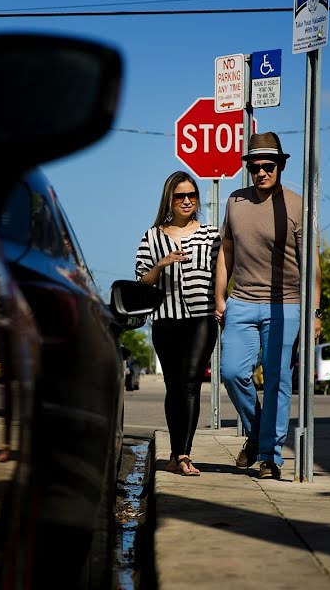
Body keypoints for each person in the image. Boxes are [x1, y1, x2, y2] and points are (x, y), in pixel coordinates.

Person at [214, 132, 322, 480]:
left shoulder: (295, 205)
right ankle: (259, 431)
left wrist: (315, 312)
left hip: (285, 305)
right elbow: (226, 251)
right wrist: (220, 295)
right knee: (231, 372)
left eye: (268, 166)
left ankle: (269, 455)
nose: (261, 173)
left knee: (277, 379)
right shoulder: (234, 202)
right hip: (241, 301)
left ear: (281, 166)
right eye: (254, 167)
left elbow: (312, 266)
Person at [136, 171, 222, 476]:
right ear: (169, 200)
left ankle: (184, 454)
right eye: (180, 196)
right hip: (165, 320)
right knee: (174, 387)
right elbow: (142, 282)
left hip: (202, 318)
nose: (187, 201)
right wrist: (161, 264)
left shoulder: (212, 235)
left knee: (190, 383)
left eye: (191, 195)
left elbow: (223, 272)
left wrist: (223, 301)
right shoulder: (152, 236)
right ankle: (175, 454)